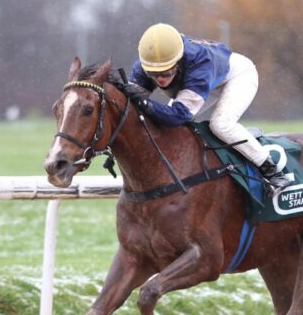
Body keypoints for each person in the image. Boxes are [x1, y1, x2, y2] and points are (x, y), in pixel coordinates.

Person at [123, 23, 290, 192]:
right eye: (153, 74)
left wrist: (146, 103)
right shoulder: (143, 66)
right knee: (166, 126)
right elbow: (130, 107)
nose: (160, 79)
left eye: (166, 72)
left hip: (237, 75)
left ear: (178, 62)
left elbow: (179, 115)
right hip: (206, 79)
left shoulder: (198, 63)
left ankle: (272, 171)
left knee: (221, 125)